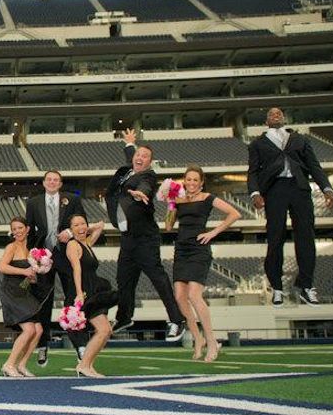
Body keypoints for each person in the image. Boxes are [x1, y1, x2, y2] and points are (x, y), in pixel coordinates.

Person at [247, 107, 333, 307]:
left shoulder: (300, 140)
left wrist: (327, 189)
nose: (276, 115)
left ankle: (306, 286)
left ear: (284, 118)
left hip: (299, 188)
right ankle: (277, 288)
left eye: (279, 113)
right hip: (274, 189)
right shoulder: (257, 144)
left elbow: (314, 165)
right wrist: (255, 193)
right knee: (275, 237)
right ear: (266, 121)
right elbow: (252, 171)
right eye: (271, 114)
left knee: (306, 236)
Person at [105, 128, 185, 342]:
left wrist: (141, 194)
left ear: (150, 162)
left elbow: (146, 185)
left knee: (158, 278)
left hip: (145, 238)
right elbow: (132, 157)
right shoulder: (130, 169)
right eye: (138, 155)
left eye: (145, 156)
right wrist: (130, 144)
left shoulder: (148, 176)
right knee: (124, 279)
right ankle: (124, 318)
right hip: (128, 238)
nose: (140, 158)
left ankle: (177, 320)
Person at [168, 166, 242, 362]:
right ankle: (198, 338)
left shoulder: (208, 198)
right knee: (179, 297)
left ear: (201, 183)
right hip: (181, 250)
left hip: (199, 249)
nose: (191, 183)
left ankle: (211, 341)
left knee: (194, 295)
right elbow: (168, 226)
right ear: (184, 181)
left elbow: (234, 214)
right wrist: (171, 203)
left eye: (195, 180)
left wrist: (213, 232)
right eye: (188, 179)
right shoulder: (179, 200)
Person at [24, 169, 88, 366]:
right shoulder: (33, 203)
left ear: (60, 184)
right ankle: (42, 345)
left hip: (66, 255)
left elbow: (83, 223)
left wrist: (70, 231)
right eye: (49, 179)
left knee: (73, 299)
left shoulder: (72, 199)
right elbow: (29, 232)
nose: (52, 182)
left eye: (56, 180)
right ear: (44, 183)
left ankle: (80, 345)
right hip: (44, 257)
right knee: (43, 302)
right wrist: (33, 257)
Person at [64, 214, 120, 378]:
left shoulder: (86, 243)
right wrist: (79, 293)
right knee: (104, 330)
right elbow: (77, 269)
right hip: (84, 292)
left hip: (94, 290)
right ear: (70, 229)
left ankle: (87, 365)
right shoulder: (73, 245)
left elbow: (100, 226)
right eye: (75, 225)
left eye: (83, 223)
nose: (80, 227)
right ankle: (84, 365)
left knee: (105, 330)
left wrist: (84, 228)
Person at [0, 217, 43, 377]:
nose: (17, 231)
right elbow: (1, 266)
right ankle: (9, 365)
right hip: (11, 292)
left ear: (27, 229)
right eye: (14, 229)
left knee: (38, 330)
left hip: (24, 292)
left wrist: (32, 277)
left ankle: (21, 365)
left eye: (20, 228)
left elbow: (30, 275)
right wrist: (24, 271)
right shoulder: (12, 247)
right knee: (29, 329)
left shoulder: (31, 250)